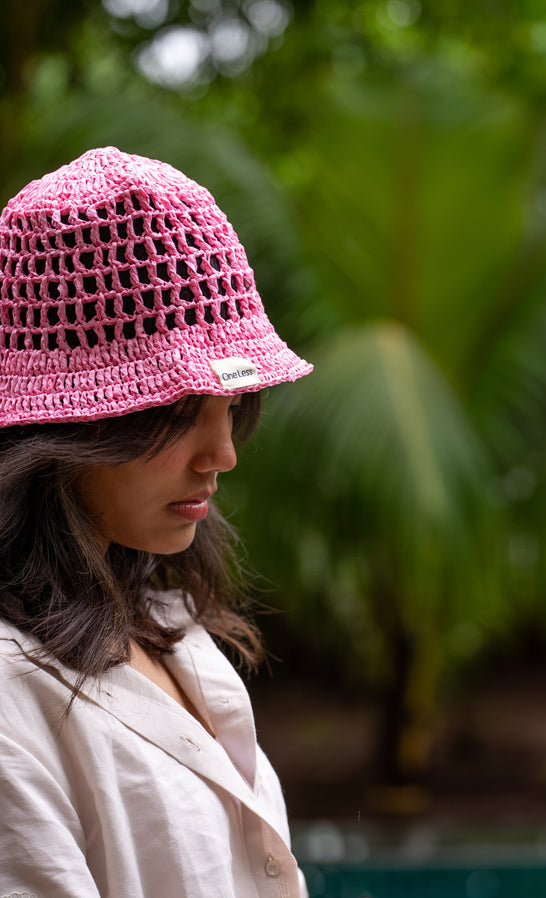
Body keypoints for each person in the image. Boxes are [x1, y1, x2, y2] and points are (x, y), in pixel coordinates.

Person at [0, 147, 313, 898]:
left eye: (232, 407)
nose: (224, 454)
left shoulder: (157, 624)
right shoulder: (13, 696)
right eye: (178, 415)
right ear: (64, 430)